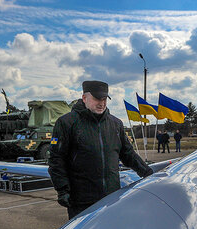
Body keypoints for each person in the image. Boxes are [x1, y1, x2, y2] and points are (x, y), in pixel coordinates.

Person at [48, 80, 153, 218]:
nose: (101, 103)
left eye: (104, 99)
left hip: (111, 197)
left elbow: (128, 154)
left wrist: (148, 173)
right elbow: (56, 159)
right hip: (81, 200)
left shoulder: (115, 124)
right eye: (97, 99)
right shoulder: (66, 123)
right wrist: (62, 190)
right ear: (84, 98)